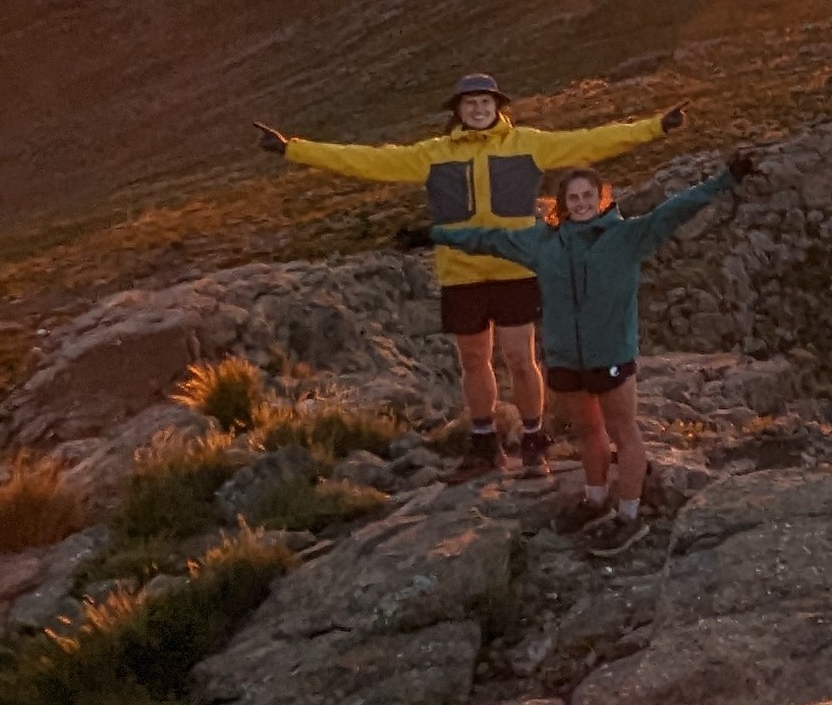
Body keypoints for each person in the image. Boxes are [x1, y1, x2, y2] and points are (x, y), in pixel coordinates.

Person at [259, 74, 680, 479]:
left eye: (485, 102)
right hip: (460, 273)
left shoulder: (529, 144)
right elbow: (367, 160)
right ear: (458, 111)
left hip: (515, 268)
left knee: (520, 358)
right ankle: (484, 443)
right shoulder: (433, 153)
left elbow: (593, 140)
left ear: (497, 107)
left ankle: (533, 438)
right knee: (474, 360)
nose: (478, 109)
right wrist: (291, 150)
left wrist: (655, 127)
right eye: (470, 103)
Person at [434, 154, 751, 543]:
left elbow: (676, 210)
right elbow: (488, 240)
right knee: (587, 430)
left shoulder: (626, 236)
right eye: (573, 197)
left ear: (602, 199)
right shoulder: (542, 242)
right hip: (566, 359)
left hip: (611, 355)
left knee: (624, 431)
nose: (581, 203)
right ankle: (595, 498)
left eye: (588, 196)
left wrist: (725, 180)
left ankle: (629, 514)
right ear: (562, 204)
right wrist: (435, 235)